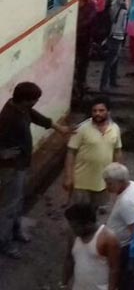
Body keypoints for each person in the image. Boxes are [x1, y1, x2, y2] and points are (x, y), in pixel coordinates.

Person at [0, 83, 72, 258]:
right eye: (34, 100)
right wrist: (2, 153)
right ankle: (5, 243)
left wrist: (59, 128)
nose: (36, 102)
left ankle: (15, 231)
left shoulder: (19, 108)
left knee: (18, 202)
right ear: (25, 100)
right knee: (9, 207)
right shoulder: (8, 117)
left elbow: (36, 117)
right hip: (11, 168)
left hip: (22, 165)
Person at [64, 97, 122, 208]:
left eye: (101, 110)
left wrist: (117, 174)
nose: (97, 114)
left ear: (108, 112)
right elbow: (70, 153)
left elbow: (117, 151)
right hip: (81, 183)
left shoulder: (115, 129)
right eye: (94, 111)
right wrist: (68, 177)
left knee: (95, 212)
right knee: (78, 212)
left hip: (102, 182)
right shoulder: (81, 129)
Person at [102, 163, 134, 290]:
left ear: (120, 182)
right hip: (122, 243)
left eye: (109, 184)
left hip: (123, 247)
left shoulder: (127, 202)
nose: (106, 187)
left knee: (123, 279)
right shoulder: (133, 185)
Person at [63, 202, 121, 290]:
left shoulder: (108, 238)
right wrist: (64, 284)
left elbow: (114, 269)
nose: (72, 230)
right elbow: (69, 259)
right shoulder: (74, 236)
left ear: (88, 224)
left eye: (75, 227)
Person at [99, 0, 129, 94]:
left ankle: (112, 81)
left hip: (119, 36)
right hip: (115, 36)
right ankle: (104, 84)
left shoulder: (120, 6)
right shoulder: (116, 5)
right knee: (110, 61)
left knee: (115, 60)